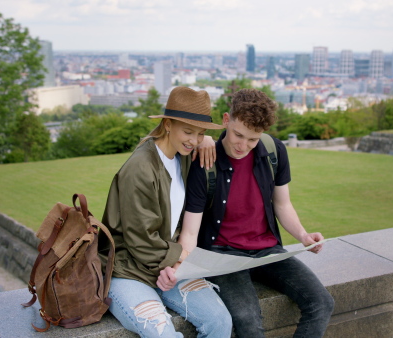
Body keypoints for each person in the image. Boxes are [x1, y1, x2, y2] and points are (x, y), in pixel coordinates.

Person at [177, 88, 335, 337]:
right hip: (223, 254)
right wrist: (180, 264)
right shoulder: (205, 162)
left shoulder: (274, 151)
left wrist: (303, 236)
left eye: (252, 139)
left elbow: (282, 204)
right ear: (226, 120)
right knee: (247, 320)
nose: (243, 146)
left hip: (268, 251)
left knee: (322, 302)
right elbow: (190, 230)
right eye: (238, 135)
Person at [99, 86, 232, 337]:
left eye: (200, 133)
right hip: (128, 270)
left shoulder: (182, 154)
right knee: (163, 333)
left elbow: (195, 140)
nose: (193, 140)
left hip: (166, 264)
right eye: (188, 131)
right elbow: (141, 241)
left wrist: (204, 139)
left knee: (219, 321)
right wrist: (179, 262)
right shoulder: (140, 168)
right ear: (168, 125)